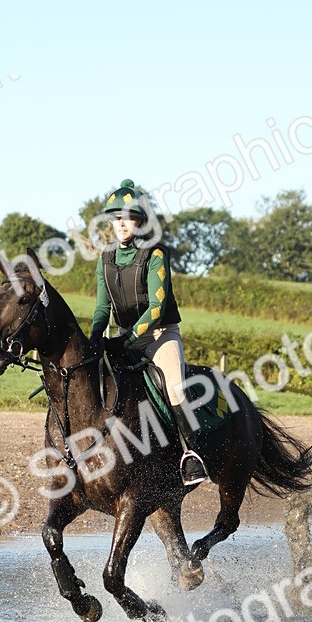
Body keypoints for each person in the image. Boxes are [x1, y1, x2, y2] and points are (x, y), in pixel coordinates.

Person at [89, 179, 208, 486]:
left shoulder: (155, 254)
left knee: (175, 387)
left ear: (140, 221)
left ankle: (191, 455)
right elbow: (102, 308)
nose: (121, 223)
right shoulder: (105, 259)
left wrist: (126, 340)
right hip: (122, 338)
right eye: (117, 218)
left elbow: (156, 308)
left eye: (128, 218)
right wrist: (95, 338)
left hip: (159, 336)